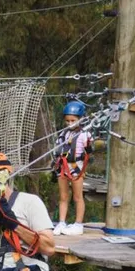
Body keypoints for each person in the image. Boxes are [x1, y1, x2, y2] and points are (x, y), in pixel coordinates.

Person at [52, 101, 92, 236]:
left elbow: (89, 151)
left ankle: (78, 224)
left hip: (76, 168)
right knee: (63, 196)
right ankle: (62, 222)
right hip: (63, 167)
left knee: (77, 196)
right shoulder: (63, 134)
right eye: (67, 121)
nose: (70, 123)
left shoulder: (84, 134)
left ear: (80, 119)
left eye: (73, 120)